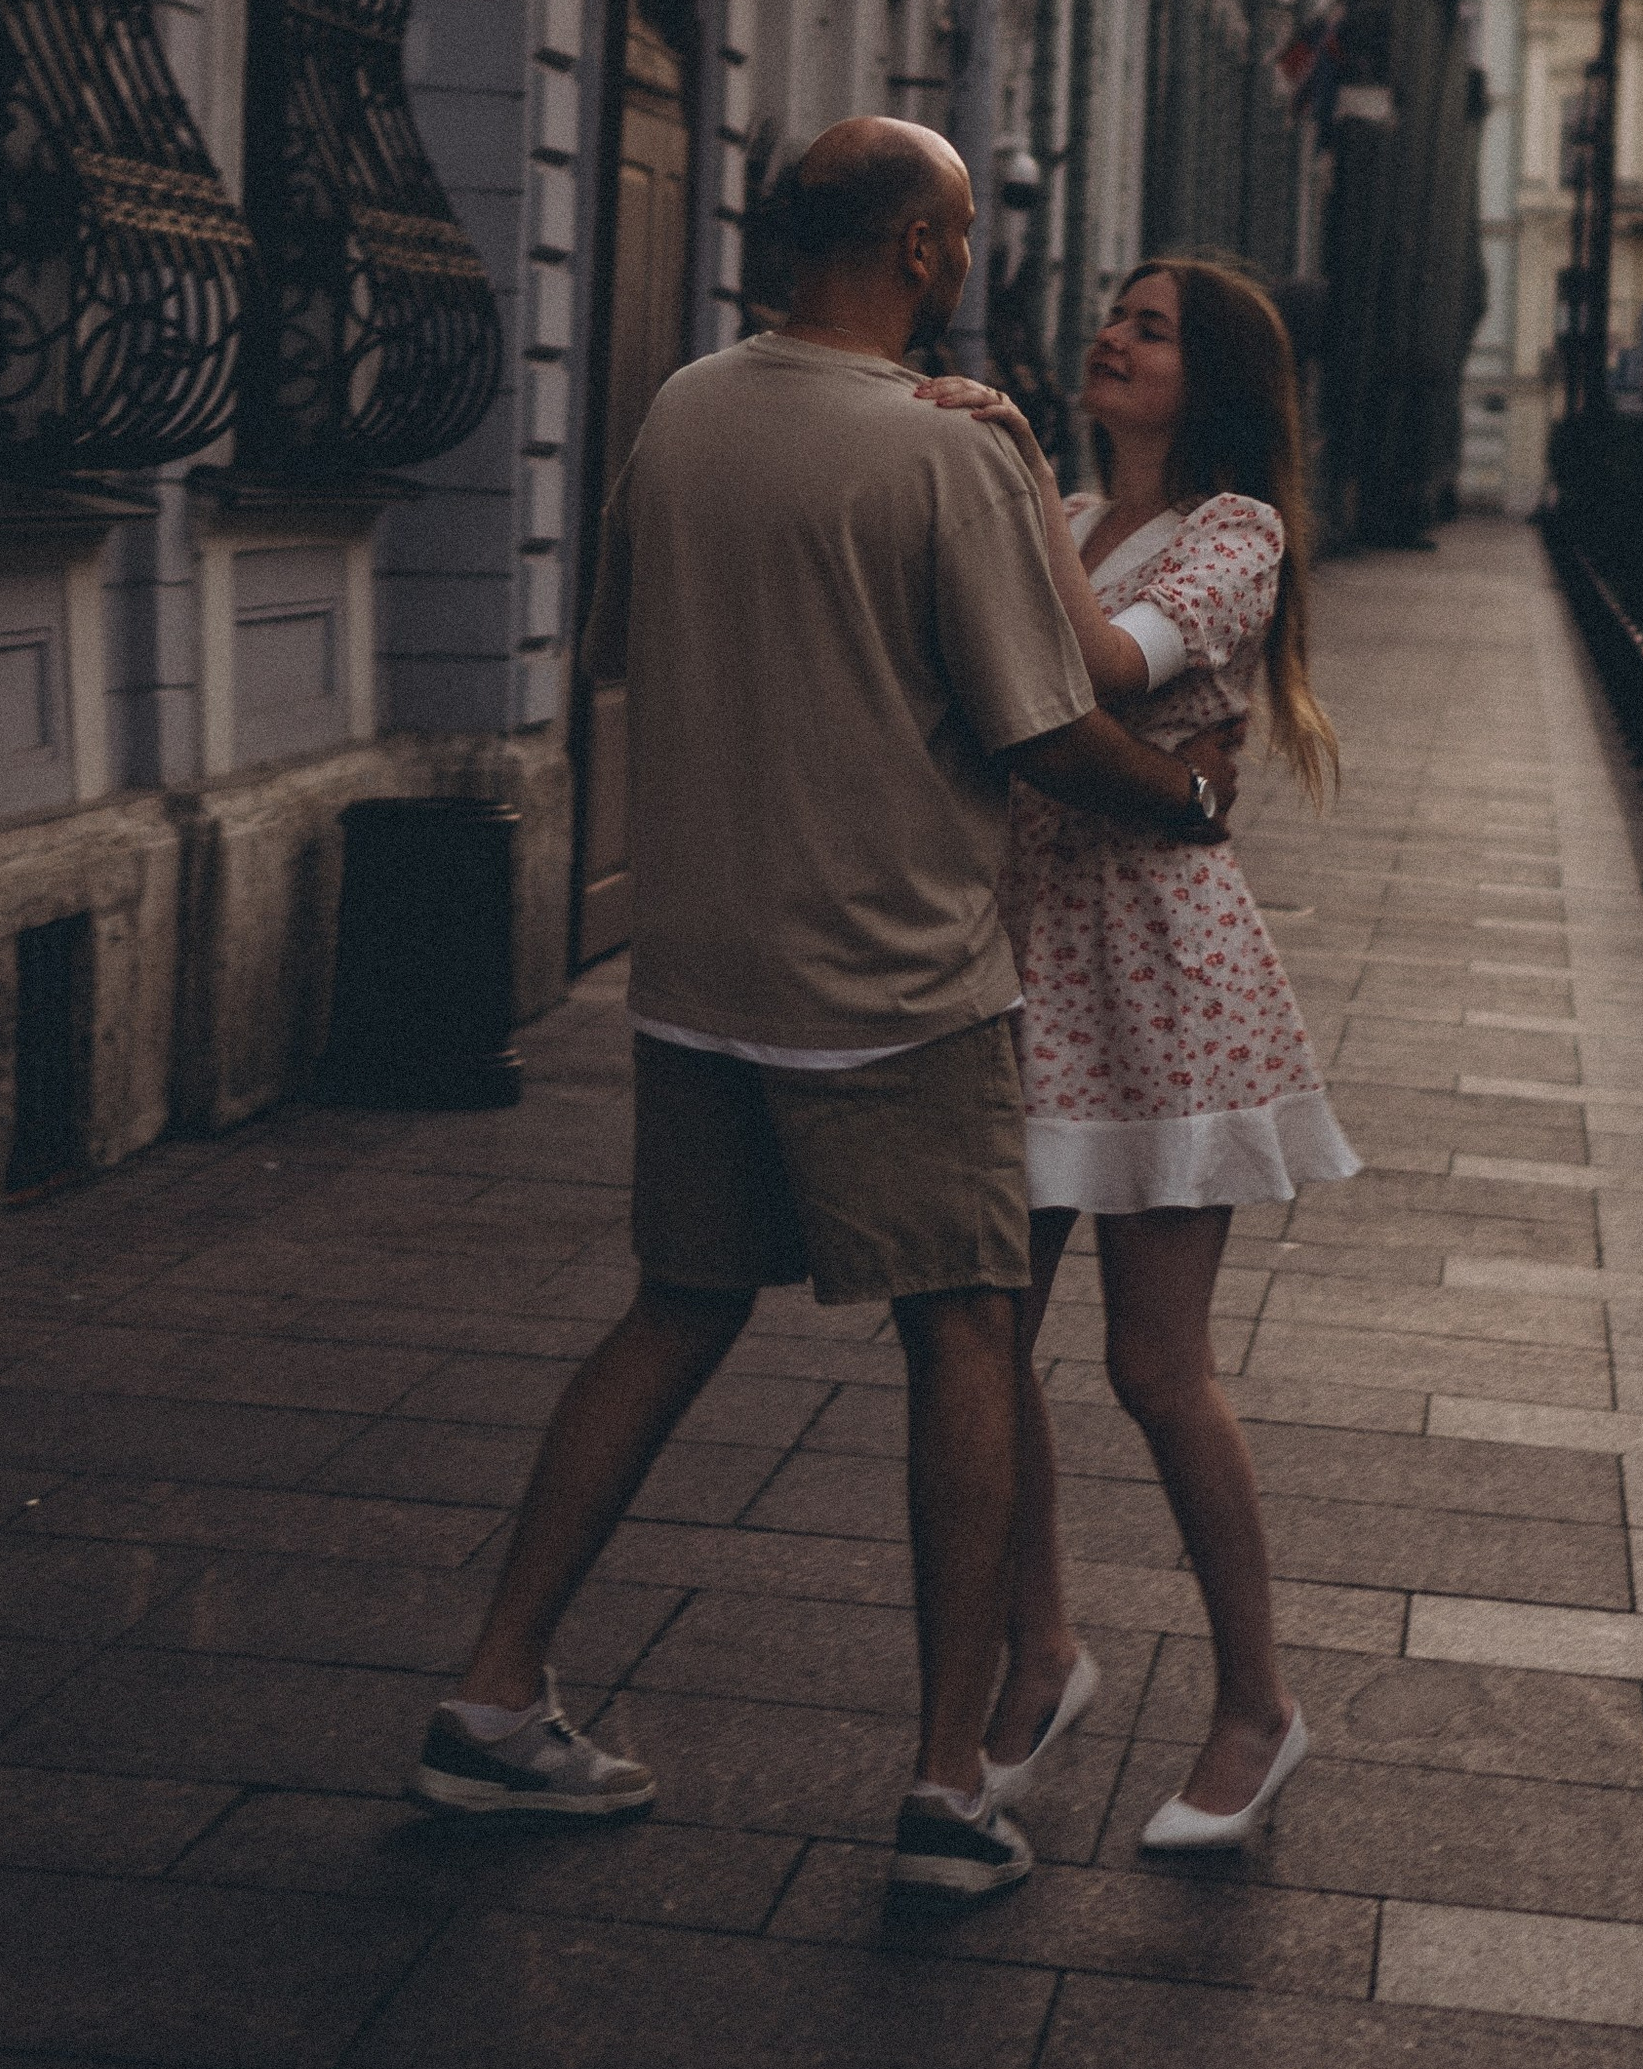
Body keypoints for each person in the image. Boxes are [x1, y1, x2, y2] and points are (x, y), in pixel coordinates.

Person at [411, 122, 1246, 1911]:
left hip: (700, 972)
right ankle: (951, 1783)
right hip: (895, 979)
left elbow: (633, 640)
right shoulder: (929, 454)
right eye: (962, 240)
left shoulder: (684, 411)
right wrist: (1188, 804)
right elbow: (1046, 732)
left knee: (673, 1309)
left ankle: (492, 1694)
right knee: (965, 1335)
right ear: (929, 253)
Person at [927, 259, 1355, 1851]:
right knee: (983, 1338)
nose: (1111, 335)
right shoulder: (1092, 524)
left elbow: (1105, 675)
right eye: (1112, 312)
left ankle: (1257, 1705)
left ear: (1216, 379)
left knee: (1153, 1369)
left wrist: (1018, 477)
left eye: (1150, 327)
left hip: (1165, 976)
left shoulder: (1233, 532)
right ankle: (1041, 1646)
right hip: (1024, 948)